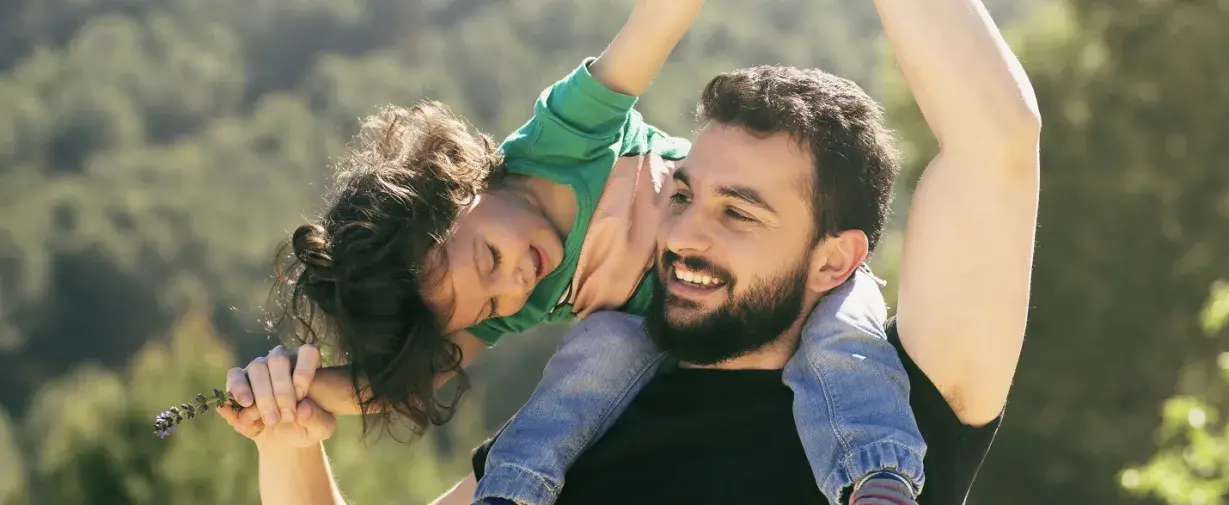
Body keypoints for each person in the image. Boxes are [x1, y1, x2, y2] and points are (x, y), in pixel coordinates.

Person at [222, 0, 1041, 502]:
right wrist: (290, 439)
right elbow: (420, 369)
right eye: (679, 193)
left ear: (834, 260)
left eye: (739, 213)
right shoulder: (568, 438)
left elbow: (996, 142)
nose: (681, 233)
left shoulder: (904, 396)